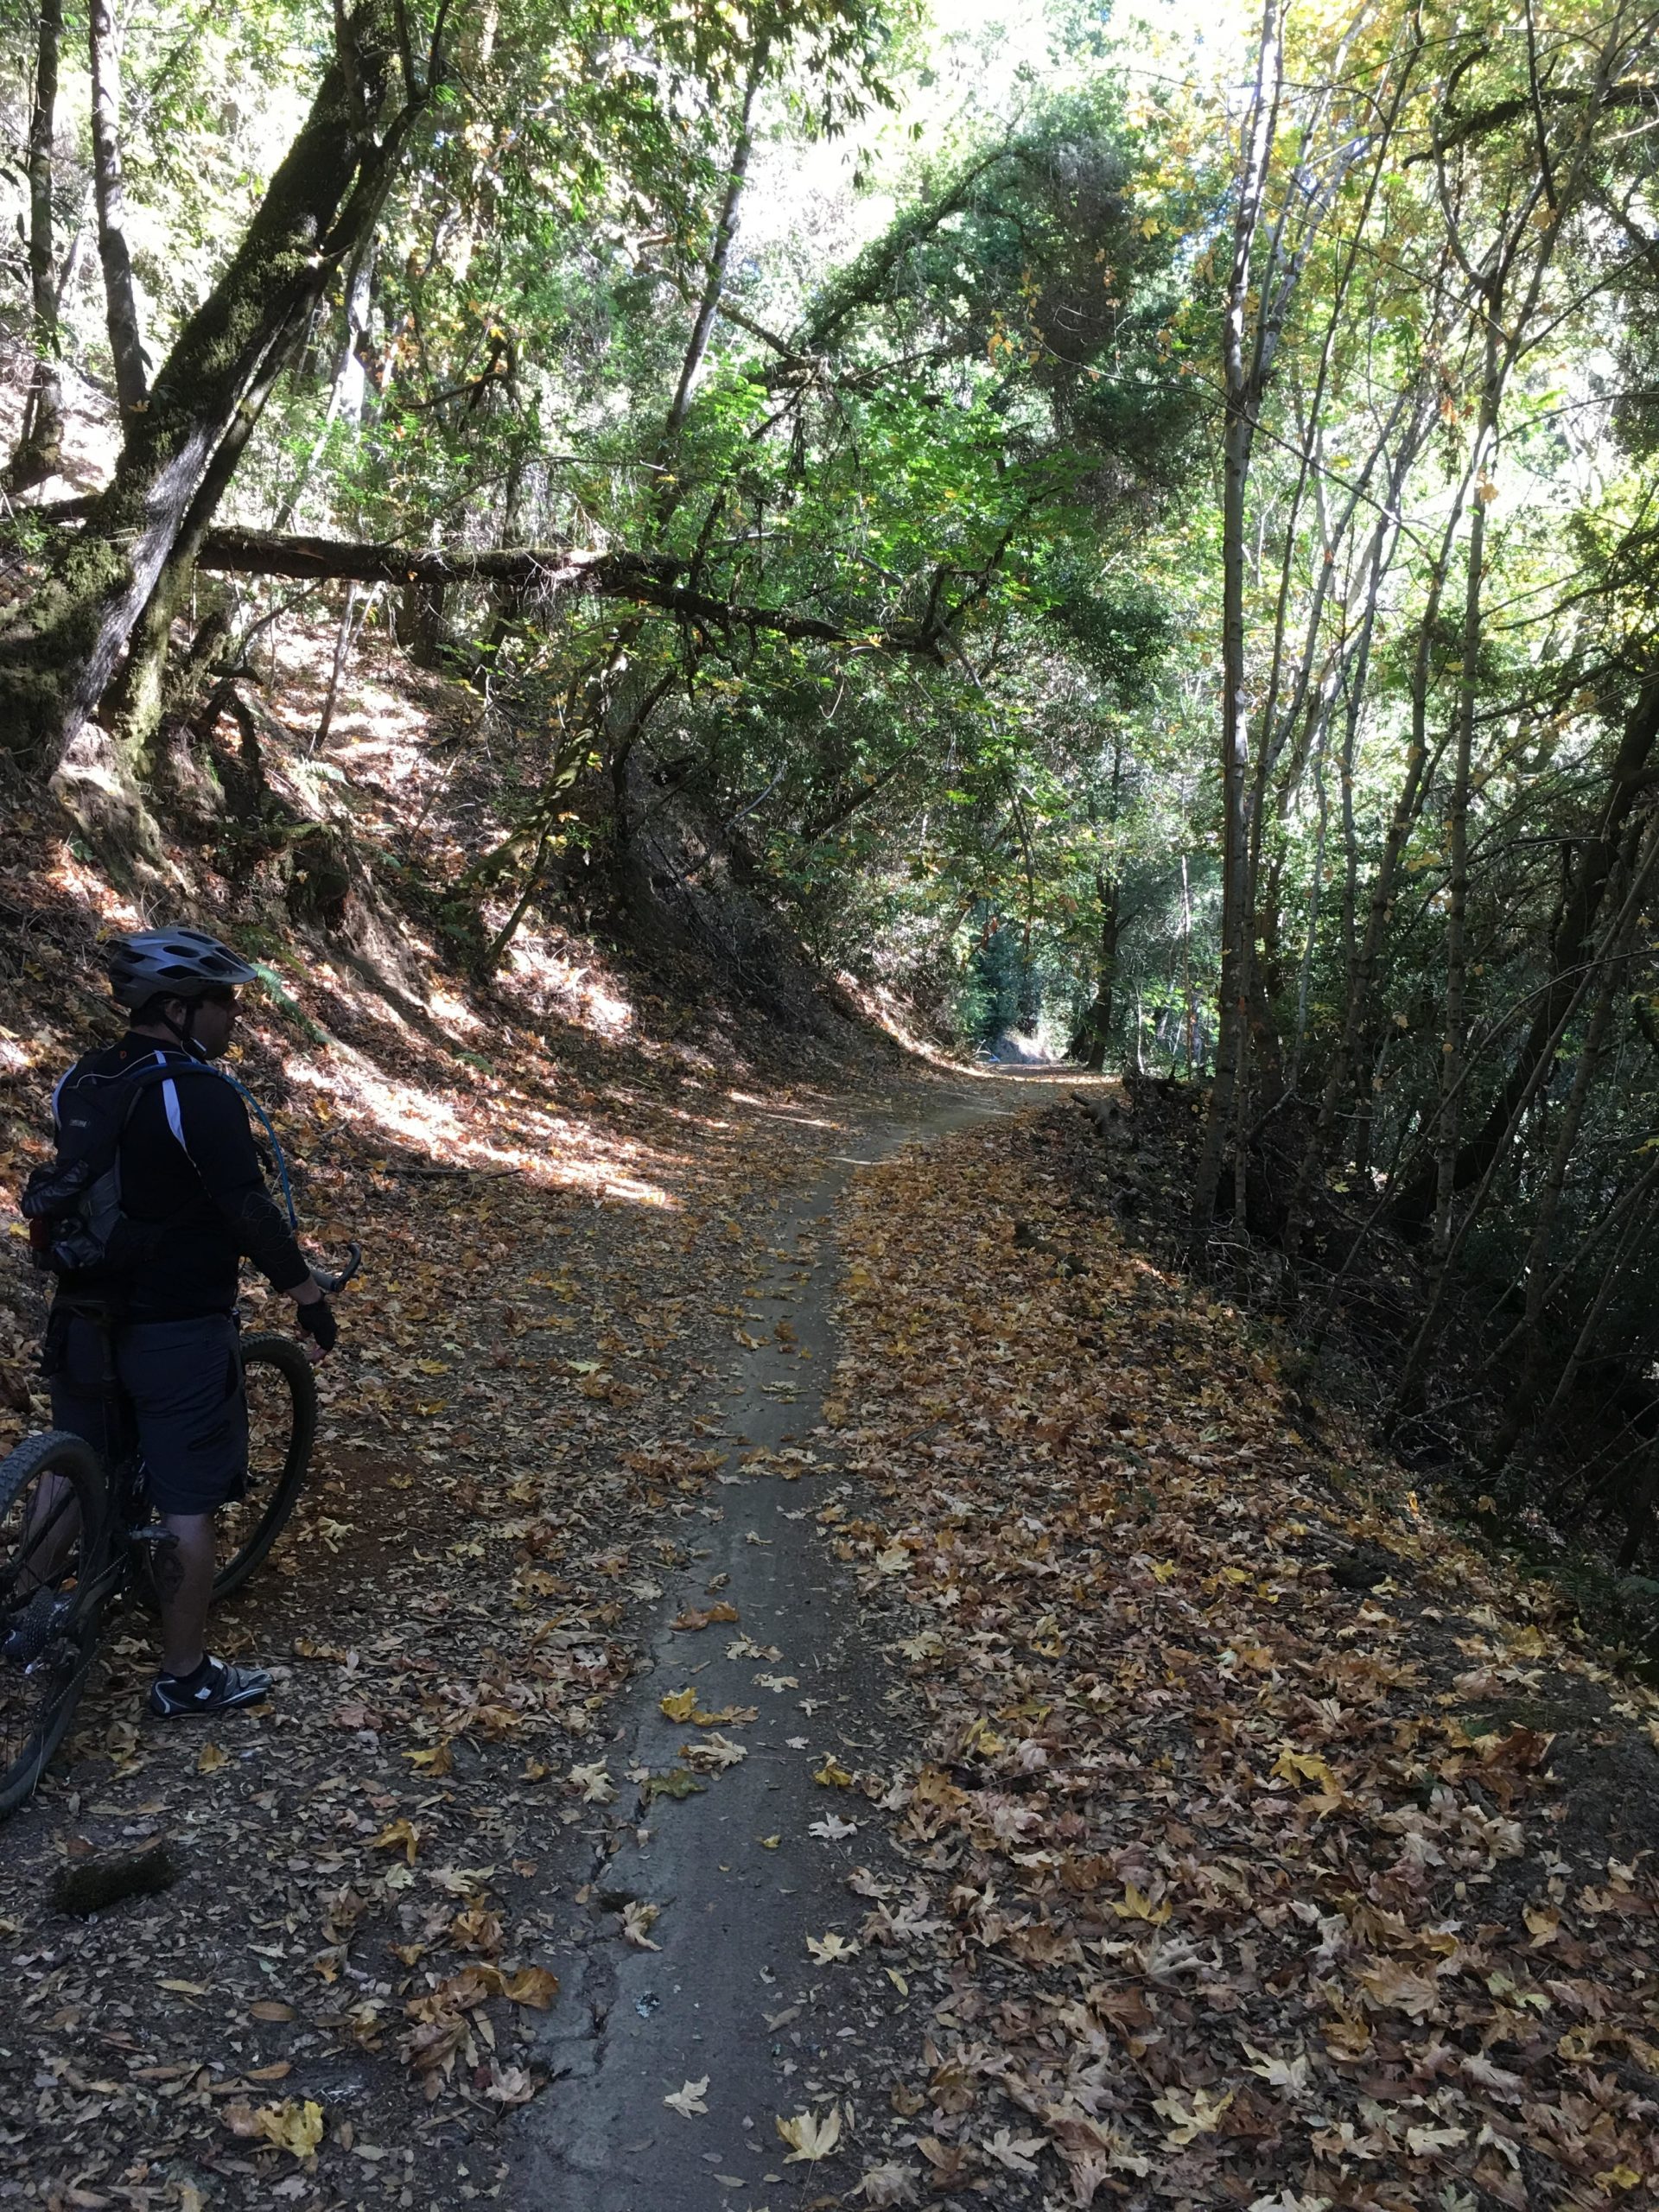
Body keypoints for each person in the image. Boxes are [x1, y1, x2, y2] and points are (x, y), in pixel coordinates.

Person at [42, 927, 340, 1718]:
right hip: (175, 1327)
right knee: (184, 1503)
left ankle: (26, 1614)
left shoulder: (80, 1079)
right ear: (177, 1008)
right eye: (222, 1000)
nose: (234, 1016)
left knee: (78, 1465)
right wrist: (307, 1295)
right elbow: (246, 1208)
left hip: (80, 1315)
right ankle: (185, 1675)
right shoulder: (197, 1093)